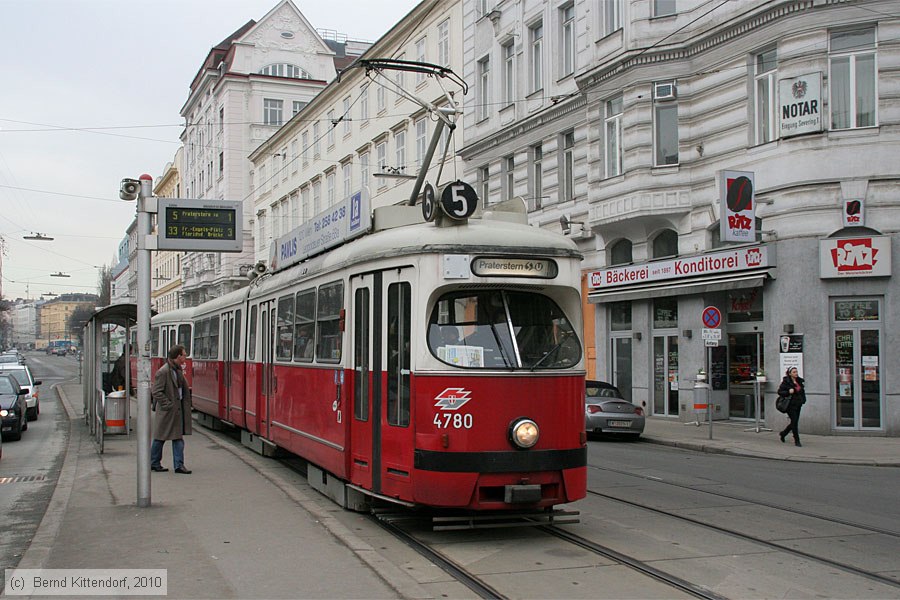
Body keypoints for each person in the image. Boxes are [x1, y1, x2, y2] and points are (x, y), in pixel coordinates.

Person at [151, 344, 193, 474]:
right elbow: (156, 392)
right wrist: (168, 404)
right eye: (184, 354)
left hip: (176, 410)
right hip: (167, 411)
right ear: (178, 356)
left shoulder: (177, 370)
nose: (186, 356)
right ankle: (154, 462)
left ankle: (178, 465)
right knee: (160, 438)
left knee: (177, 438)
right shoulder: (163, 372)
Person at [777, 366, 806, 447]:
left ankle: (783, 433)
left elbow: (802, 391)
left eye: (796, 372)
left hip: (798, 404)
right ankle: (797, 440)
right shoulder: (786, 382)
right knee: (794, 422)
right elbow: (780, 392)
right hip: (790, 405)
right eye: (794, 372)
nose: (796, 373)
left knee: (794, 422)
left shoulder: (799, 381)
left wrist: (803, 400)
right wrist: (788, 392)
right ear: (790, 374)